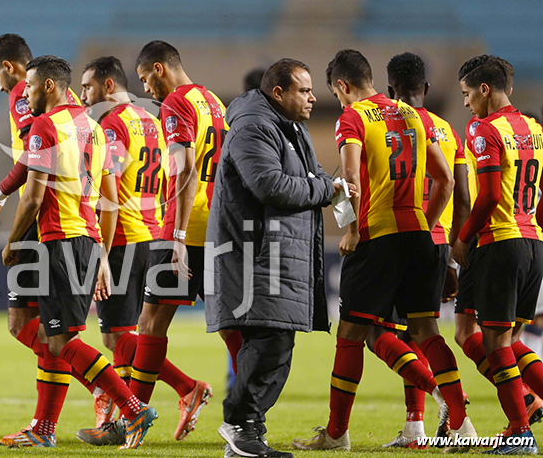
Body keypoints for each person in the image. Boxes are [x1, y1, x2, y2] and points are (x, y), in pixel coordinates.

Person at [293, 49, 475, 451]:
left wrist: (353, 230)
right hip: (420, 235)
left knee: (351, 334)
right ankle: (462, 425)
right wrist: (424, 226)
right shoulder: (413, 115)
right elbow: (445, 181)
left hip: (377, 237)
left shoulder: (353, 117)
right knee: (427, 331)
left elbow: (351, 178)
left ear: (342, 86)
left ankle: (336, 434)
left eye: (336, 94)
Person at [1, 55, 157, 449]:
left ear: (48, 86)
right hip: (86, 240)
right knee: (48, 334)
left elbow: (33, 197)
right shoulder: (95, 129)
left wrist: (13, 242)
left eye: (30, 86)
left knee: (62, 341)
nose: (25, 94)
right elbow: (109, 200)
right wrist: (102, 253)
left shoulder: (45, 126)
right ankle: (44, 429)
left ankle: (131, 407)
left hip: (60, 240)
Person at [208, 58, 349, 458]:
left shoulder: (290, 128)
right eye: (304, 90)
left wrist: (322, 184)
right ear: (278, 93)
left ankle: (246, 435)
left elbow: (314, 176)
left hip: (278, 252)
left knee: (275, 343)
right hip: (255, 255)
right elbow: (270, 185)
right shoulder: (253, 127)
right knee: (270, 342)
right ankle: (240, 425)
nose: (312, 97)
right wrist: (323, 190)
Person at [75, 56, 210, 445]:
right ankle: (119, 417)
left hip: (124, 237)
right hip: (153, 231)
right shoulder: (150, 119)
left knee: (117, 336)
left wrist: (101, 251)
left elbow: (109, 190)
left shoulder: (112, 124)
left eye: (87, 87)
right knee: (128, 332)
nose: (83, 96)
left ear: (107, 85)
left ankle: (184, 388)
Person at [0, 35, 94, 446]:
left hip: (49, 217)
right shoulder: (74, 106)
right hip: (80, 217)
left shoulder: (27, 101)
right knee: (34, 326)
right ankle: (48, 423)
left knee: (48, 330)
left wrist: (0, 194)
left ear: (11, 68)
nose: (3, 89)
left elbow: (32, 160)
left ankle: (102, 392)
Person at [132, 40, 239, 413]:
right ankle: (247, 414)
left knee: (150, 324)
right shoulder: (214, 102)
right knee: (231, 327)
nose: (146, 88)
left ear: (159, 69)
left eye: (145, 79)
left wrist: (176, 236)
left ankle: (133, 415)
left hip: (184, 225)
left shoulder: (176, 102)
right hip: (215, 228)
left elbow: (185, 170)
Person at [373, 52, 470, 447]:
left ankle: (448, 399)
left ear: (389, 89)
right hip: (440, 243)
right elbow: (462, 199)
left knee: (372, 329)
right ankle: (418, 426)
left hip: (400, 236)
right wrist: (451, 256)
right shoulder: (448, 130)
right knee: (420, 331)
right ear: (426, 88)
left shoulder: (389, 124)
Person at [451, 54, 543, 454]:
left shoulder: (484, 130)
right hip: (532, 241)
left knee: (496, 343)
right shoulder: (536, 130)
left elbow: (487, 196)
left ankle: (520, 431)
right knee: (500, 337)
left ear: (484, 89)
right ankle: (522, 414)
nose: (466, 102)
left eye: (468, 93)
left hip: (499, 242)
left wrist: (463, 238)